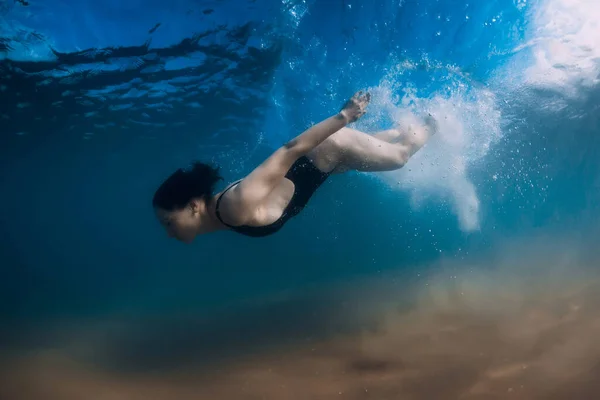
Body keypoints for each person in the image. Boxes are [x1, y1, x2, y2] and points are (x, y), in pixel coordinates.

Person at [153, 90, 437, 242]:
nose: (168, 232)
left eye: (169, 222)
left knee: (399, 157)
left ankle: (439, 120)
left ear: (192, 206)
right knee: (383, 142)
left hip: (331, 148)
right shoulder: (222, 214)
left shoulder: (233, 207)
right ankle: (411, 123)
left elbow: (289, 150)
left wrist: (344, 116)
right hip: (325, 163)